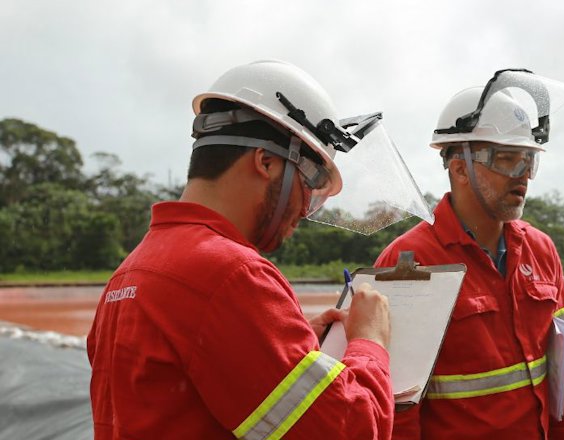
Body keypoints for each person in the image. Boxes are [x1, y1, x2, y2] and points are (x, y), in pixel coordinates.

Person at [87, 60, 395, 439]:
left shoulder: (133, 269)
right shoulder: (231, 274)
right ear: (266, 162)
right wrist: (369, 341)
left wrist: (284, 349)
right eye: (310, 185)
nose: (305, 209)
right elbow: (352, 430)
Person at [374, 74, 564, 439]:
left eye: (529, 161)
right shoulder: (409, 263)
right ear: (460, 167)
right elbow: (395, 409)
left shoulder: (541, 251)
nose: (523, 176)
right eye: (507, 160)